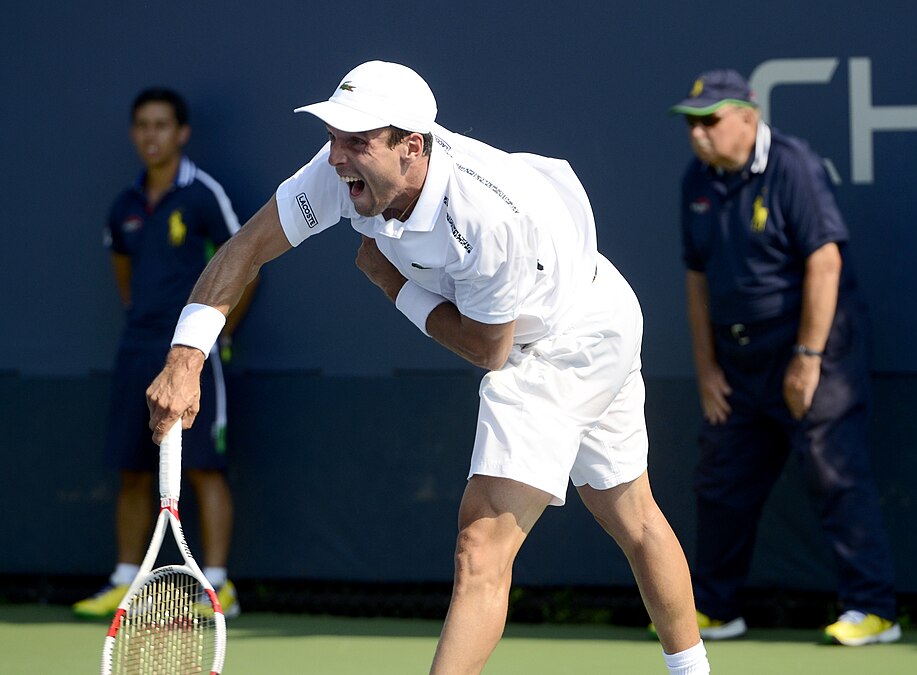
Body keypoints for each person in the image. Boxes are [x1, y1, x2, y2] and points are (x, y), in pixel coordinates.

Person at [144, 61, 710, 674]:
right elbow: (246, 246)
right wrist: (186, 357)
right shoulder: (343, 170)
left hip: (563, 343)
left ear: (411, 146)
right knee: (632, 514)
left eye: (356, 141)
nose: (336, 157)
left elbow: (491, 351)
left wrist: (396, 289)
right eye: (334, 137)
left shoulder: (486, 219)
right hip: (601, 303)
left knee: (482, 546)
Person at [667, 69, 899, 646]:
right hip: (737, 364)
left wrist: (807, 358)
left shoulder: (794, 166)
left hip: (814, 351)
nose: (698, 134)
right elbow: (697, 280)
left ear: (748, 117)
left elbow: (825, 263)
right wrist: (707, 369)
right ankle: (717, 609)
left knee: (833, 472)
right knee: (721, 480)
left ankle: (874, 611)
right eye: (693, 124)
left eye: (710, 121)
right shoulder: (695, 180)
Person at [73, 87, 255, 620]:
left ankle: (217, 587)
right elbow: (125, 277)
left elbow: (243, 265)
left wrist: (210, 340)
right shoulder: (123, 207)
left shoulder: (203, 195)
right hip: (136, 350)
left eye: (161, 125)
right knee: (131, 468)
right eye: (142, 126)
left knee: (203, 469)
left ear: (181, 133)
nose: (151, 135)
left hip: (195, 352)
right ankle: (124, 582)